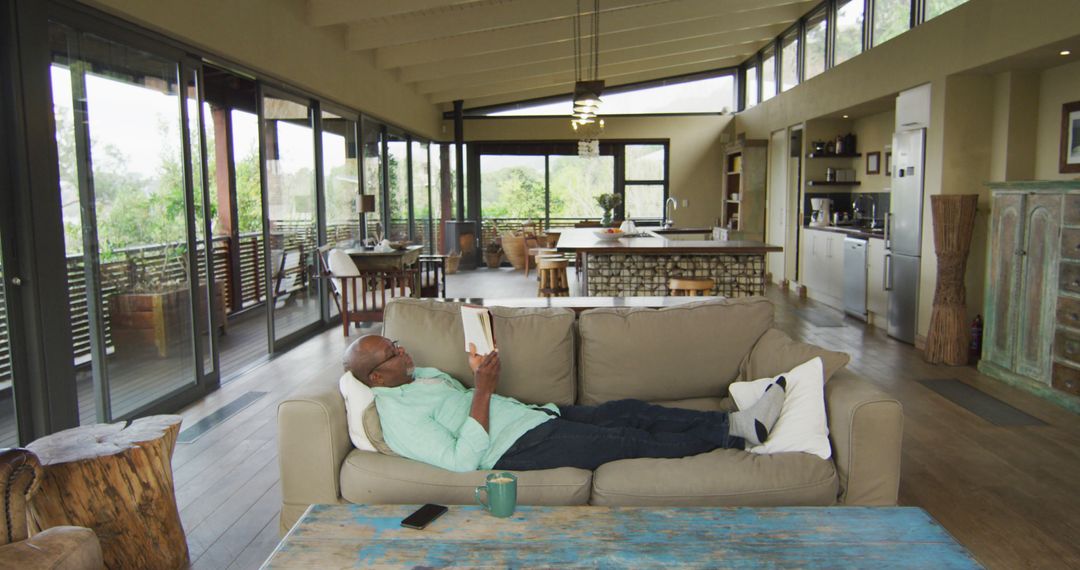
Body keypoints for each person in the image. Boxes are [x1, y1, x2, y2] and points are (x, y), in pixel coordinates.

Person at [342, 334, 786, 473]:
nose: (404, 351)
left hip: (533, 416)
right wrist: (482, 389)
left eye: (398, 343)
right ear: (376, 377)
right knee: (626, 438)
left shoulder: (419, 377)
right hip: (514, 447)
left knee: (631, 408)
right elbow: (460, 461)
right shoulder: (395, 415)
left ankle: (733, 421)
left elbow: (459, 397)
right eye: (393, 353)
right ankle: (734, 435)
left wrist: (477, 369)